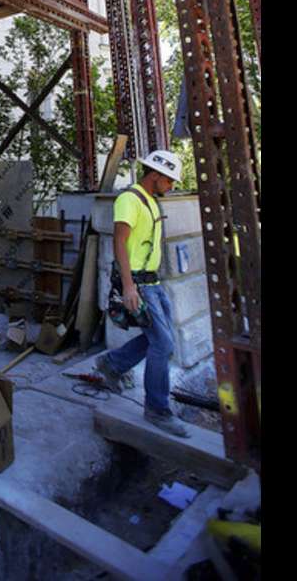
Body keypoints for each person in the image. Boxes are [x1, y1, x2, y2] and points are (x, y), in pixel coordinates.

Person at [94, 149, 191, 438]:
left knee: (161, 339)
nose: (171, 186)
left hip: (153, 283)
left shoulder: (150, 201)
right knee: (162, 343)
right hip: (137, 282)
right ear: (156, 175)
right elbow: (120, 243)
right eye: (170, 180)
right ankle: (157, 410)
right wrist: (127, 286)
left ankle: (112, 364)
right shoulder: (129, 199)